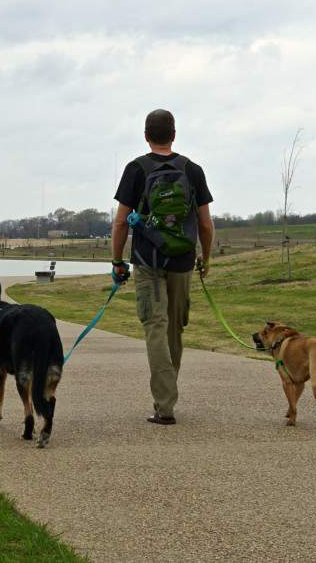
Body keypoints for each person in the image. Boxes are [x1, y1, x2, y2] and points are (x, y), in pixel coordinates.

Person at [110, 108, 214, 425]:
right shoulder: (192, 170)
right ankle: (167, 398)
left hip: (148, 262)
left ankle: (164, 405)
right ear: (174, 135)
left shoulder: (136, 169)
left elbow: (120, 223)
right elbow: (206, 225)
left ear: (146, 135)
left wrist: (117, 261)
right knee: (173, 330)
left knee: (155, 327)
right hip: (182, 262)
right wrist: (205, 258)